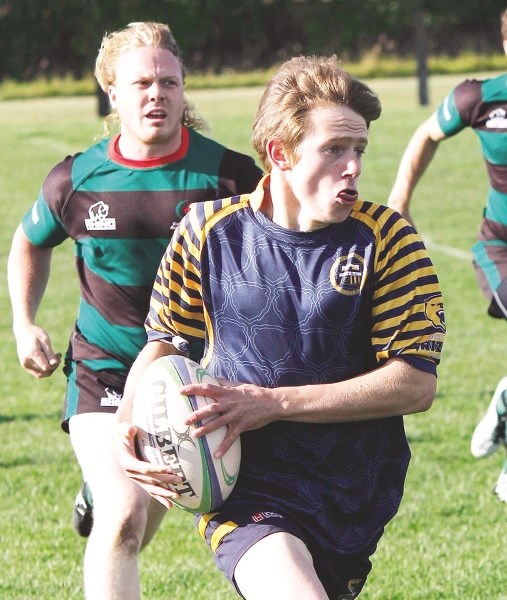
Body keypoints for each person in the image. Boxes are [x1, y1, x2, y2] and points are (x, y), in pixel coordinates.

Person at [115, 55, 446, 599]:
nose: (353, 167)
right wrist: (128, 426)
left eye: (358, 149)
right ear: (280, 153)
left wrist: (272, 402)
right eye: (334, 149)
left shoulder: (387, 241)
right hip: (245, 487)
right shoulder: (208, 232)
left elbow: (415, 383)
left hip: (351, 487)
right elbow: (165, 340)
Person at [7, 21, 262, 600]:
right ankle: (107, 492)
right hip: (105, 366)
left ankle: (97, 493)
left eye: (169, 82)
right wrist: (25, 323)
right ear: (113, 93)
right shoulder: (76, 179)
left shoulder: (230, 177)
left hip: (189, 373)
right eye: (142, 82)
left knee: (138, 519)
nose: (157, 94)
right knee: (124, 518)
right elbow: (29, 242)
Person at [387, 8, 507, 503]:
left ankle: (504, 400)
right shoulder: (478, 97)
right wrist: (400, 199)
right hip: (501, 245)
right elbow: (425, 135)